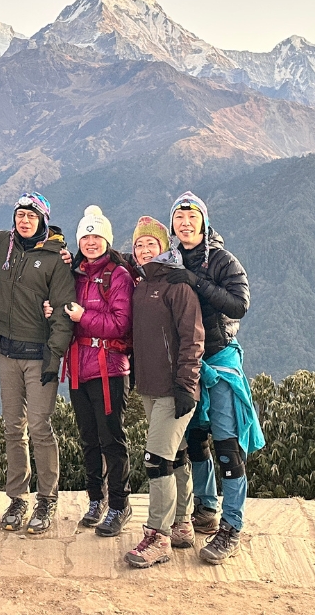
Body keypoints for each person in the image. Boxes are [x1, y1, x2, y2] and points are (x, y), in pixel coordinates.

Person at [166, 191, 261, 565]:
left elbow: (240, 304)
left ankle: (232, 525)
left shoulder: (222, 260)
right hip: (188, 362)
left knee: (227, 446)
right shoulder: (171, 258)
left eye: (192, 217)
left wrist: (197, 281)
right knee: (195, 440)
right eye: (179, 218)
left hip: (219, 363)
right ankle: (206, 509)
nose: (185, 223)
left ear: (203, 222)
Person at [0, 193, 76, 535]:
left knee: (39, 427)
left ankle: (47, 497)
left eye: (31, 216)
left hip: (39, 356)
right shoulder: (2, 244)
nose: (24, 221)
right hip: (6, 352)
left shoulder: (56, 259)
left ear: (43, 221)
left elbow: (65, 311)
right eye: (20, 215)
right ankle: (17, 497)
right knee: (12, 427)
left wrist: (55, 355)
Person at [124, 216, 204, 568]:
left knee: (155, 461)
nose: (143, 250)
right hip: (149, 386)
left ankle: (157, 536)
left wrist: (187, 383)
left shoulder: (177, 286)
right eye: (139, 244)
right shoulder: (141, 283)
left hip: (174, 389)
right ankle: (182, 523)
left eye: (150, 244)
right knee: (177, 455)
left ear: (164, 248)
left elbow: (192, 337)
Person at [65, 205, 135, 537]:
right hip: (79, 367)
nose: (91, 242)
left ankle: (120, 504)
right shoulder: (75, 274)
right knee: (88, 439)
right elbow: (66, 312)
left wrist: (82, 318)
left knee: (112, 439)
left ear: (107, 239)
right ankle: (97, 499)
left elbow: (122, 323)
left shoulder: (117, 275)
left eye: (96, 236)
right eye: (86, 237)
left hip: (109, 369)